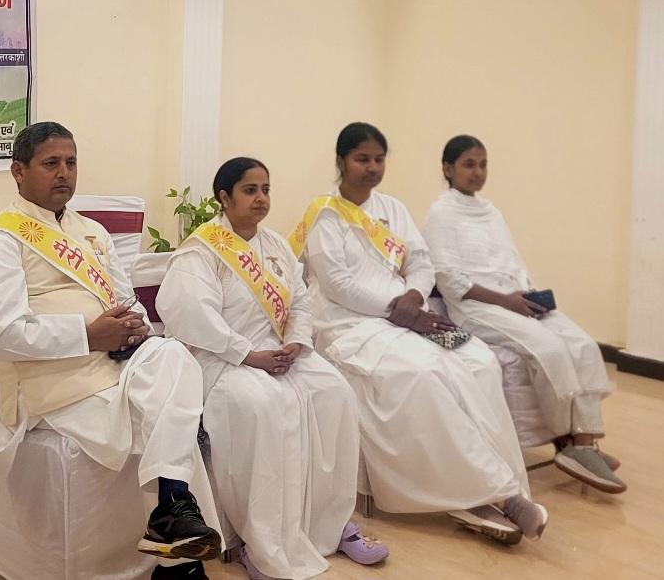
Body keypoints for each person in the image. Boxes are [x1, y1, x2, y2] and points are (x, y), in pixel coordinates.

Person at [0, 122, 222, 580]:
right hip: (50, 383)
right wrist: (89, 335)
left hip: (113, 366)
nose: (64, 172)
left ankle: (171, 510)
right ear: (18, 171)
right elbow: (3, 334)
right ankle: (174, 545)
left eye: (71, 162)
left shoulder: (92, 232)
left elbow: (129, 302)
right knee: (171, 417)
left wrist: (135, 329)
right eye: (51, 163)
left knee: (174, 356)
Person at [291, 122, 548, 546]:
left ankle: (502, 486)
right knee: (424, 373)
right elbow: (338, 284)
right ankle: (491, 494)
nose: (373, 168)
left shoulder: (393, 209)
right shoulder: (325, 215)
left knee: (478, 360)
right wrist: (399, 310)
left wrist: (414, 296)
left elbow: (421, 262)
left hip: (410, 314)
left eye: (379, 159)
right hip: (348, 324)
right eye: (362, 159)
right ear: (341, 162)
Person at [157, 157, 387, 580]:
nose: (261, 198)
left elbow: (300, 301)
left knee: (334, 392)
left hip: (280, 353)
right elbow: (191, 315)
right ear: (224, 198)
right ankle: (258, 540)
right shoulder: (201, 250)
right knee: (260, 405)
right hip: (220, 360)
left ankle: (329, 523)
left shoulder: (277, 245)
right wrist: (247, 354)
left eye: (265, 189)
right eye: (250, 190)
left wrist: (296, 341)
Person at [422, 135, 623, 493]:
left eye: (483, 164)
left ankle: (585, 441)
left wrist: (528, 297)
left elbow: (512, 262)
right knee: (549, 348)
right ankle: (569, 442)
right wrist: (505, 301)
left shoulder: (491, 211)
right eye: (469, 164)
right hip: (477, 307)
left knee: (582, 345)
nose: (478, 172)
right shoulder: (440, 213)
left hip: (516, 299)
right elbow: (449, 279)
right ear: (448, 169)